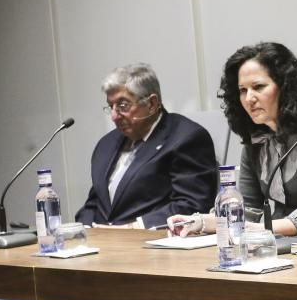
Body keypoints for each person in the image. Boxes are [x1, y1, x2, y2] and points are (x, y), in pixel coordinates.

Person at [168, 43, 297, 237]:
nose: (249, 98)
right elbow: (248, 210)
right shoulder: (256, 137)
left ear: (285, 87)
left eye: (258, 87)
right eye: (242, 90)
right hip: (278, 244)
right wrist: (200, 222)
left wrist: (265, 228)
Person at [76, 63, 217, 229]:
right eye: (111, 106)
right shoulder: (106, 144)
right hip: (101, 244)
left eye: (123, 105)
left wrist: (133, 228)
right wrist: (86, 229)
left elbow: (191, 205)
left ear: (151, 103)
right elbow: (94, 202)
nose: (114, 116)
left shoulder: (186, 138)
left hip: (153, 244)